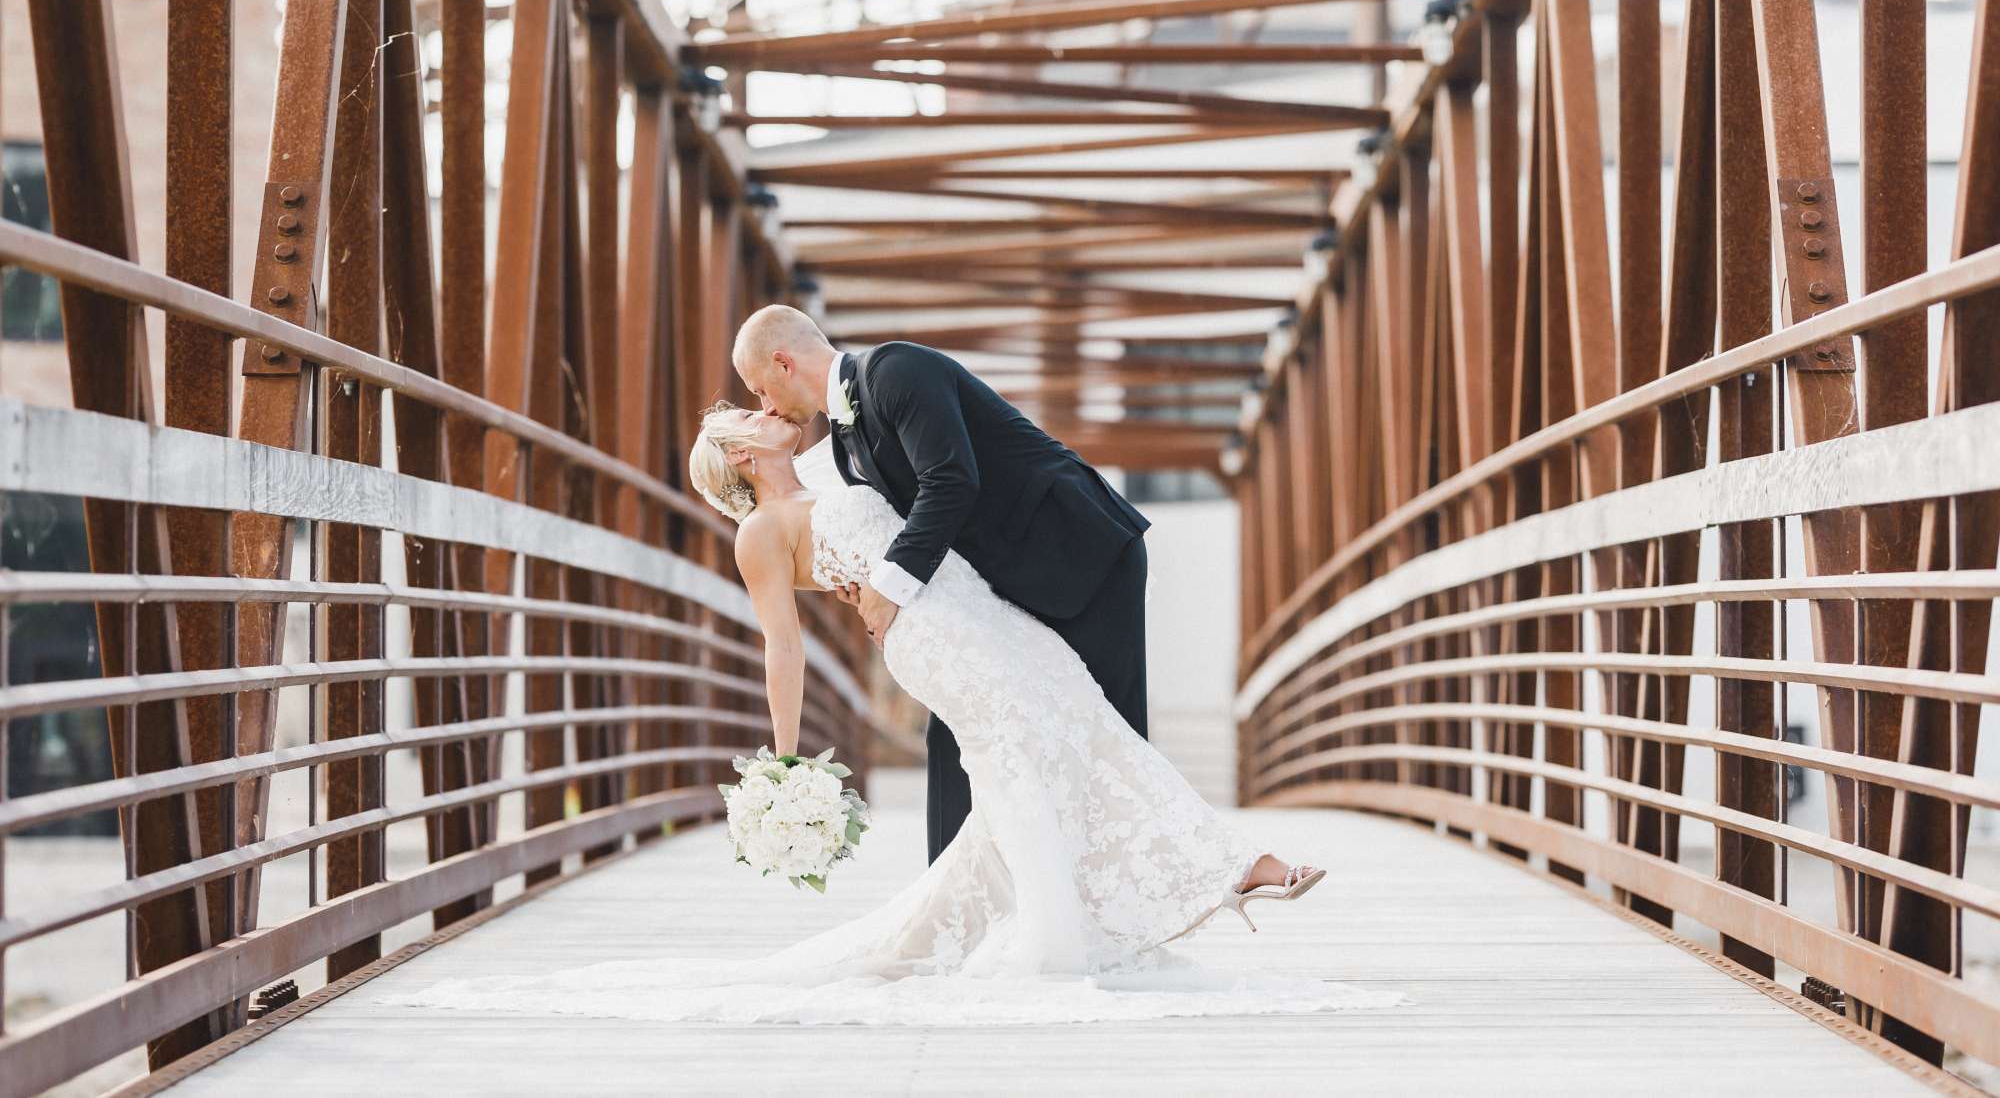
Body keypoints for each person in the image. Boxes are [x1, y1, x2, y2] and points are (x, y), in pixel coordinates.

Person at [394, 400, 1407, 1026]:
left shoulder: (841, 470)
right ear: (739, 456)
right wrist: (784, 764)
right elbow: (781, 647)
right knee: (1045, 755)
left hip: (993, 621)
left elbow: (943, 503)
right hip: (940, 647)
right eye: (743, 413)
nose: (760, 407)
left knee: (1070, 744)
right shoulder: (761, 537)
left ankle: (986, 934)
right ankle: (1223, 872)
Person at [731, 304, 1155, 865]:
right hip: (998, 588)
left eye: (761, 390)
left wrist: (888, 586)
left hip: (1079, 551)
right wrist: (855, 576)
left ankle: (1133, 891)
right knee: (954, 736)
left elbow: (950, 480)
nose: (765, 406)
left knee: (1107, 728)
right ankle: (958, 905)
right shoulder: (841, 440)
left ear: (783, 363)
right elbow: (872, 519)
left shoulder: (896, 370)